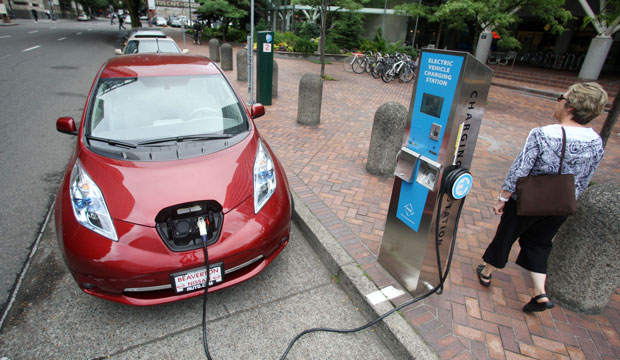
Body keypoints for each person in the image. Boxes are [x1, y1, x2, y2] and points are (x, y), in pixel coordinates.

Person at [476, 82, 607, 313]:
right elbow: (585, 177)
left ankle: (486, 272)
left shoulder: (543, 134)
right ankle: (540, 293)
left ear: (570, 107)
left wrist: (503, 197)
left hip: (529, 198)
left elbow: (520, 169)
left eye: (561, 98)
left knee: (506, 236)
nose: (558, 101)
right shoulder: (596, 141)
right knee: (539, 243)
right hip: (562, 202)